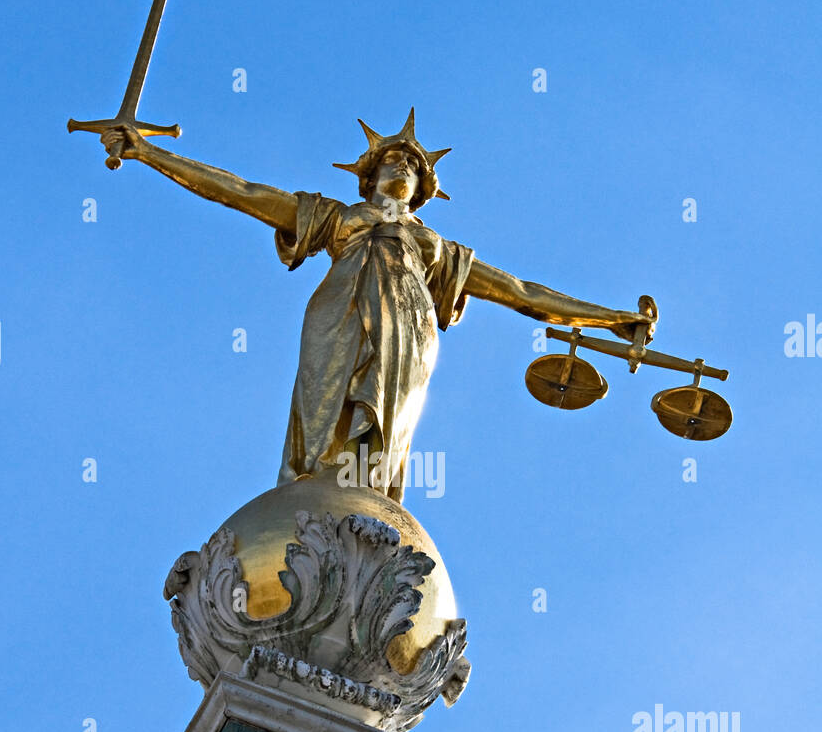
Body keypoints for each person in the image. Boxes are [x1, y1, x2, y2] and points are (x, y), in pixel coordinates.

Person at [101, 109, 655, 503]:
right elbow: (242, 191)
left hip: (408, 333)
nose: (399, 167)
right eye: (389, 160)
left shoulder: (436, 249)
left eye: (410, 166)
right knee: (322, 413)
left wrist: (613, 317)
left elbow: (524, 294)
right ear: (368, 178)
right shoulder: (337, 218)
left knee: (381, 440)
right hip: (337, 315)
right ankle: (312, 494)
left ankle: (365, 502)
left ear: (421, 188)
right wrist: (149, 152)